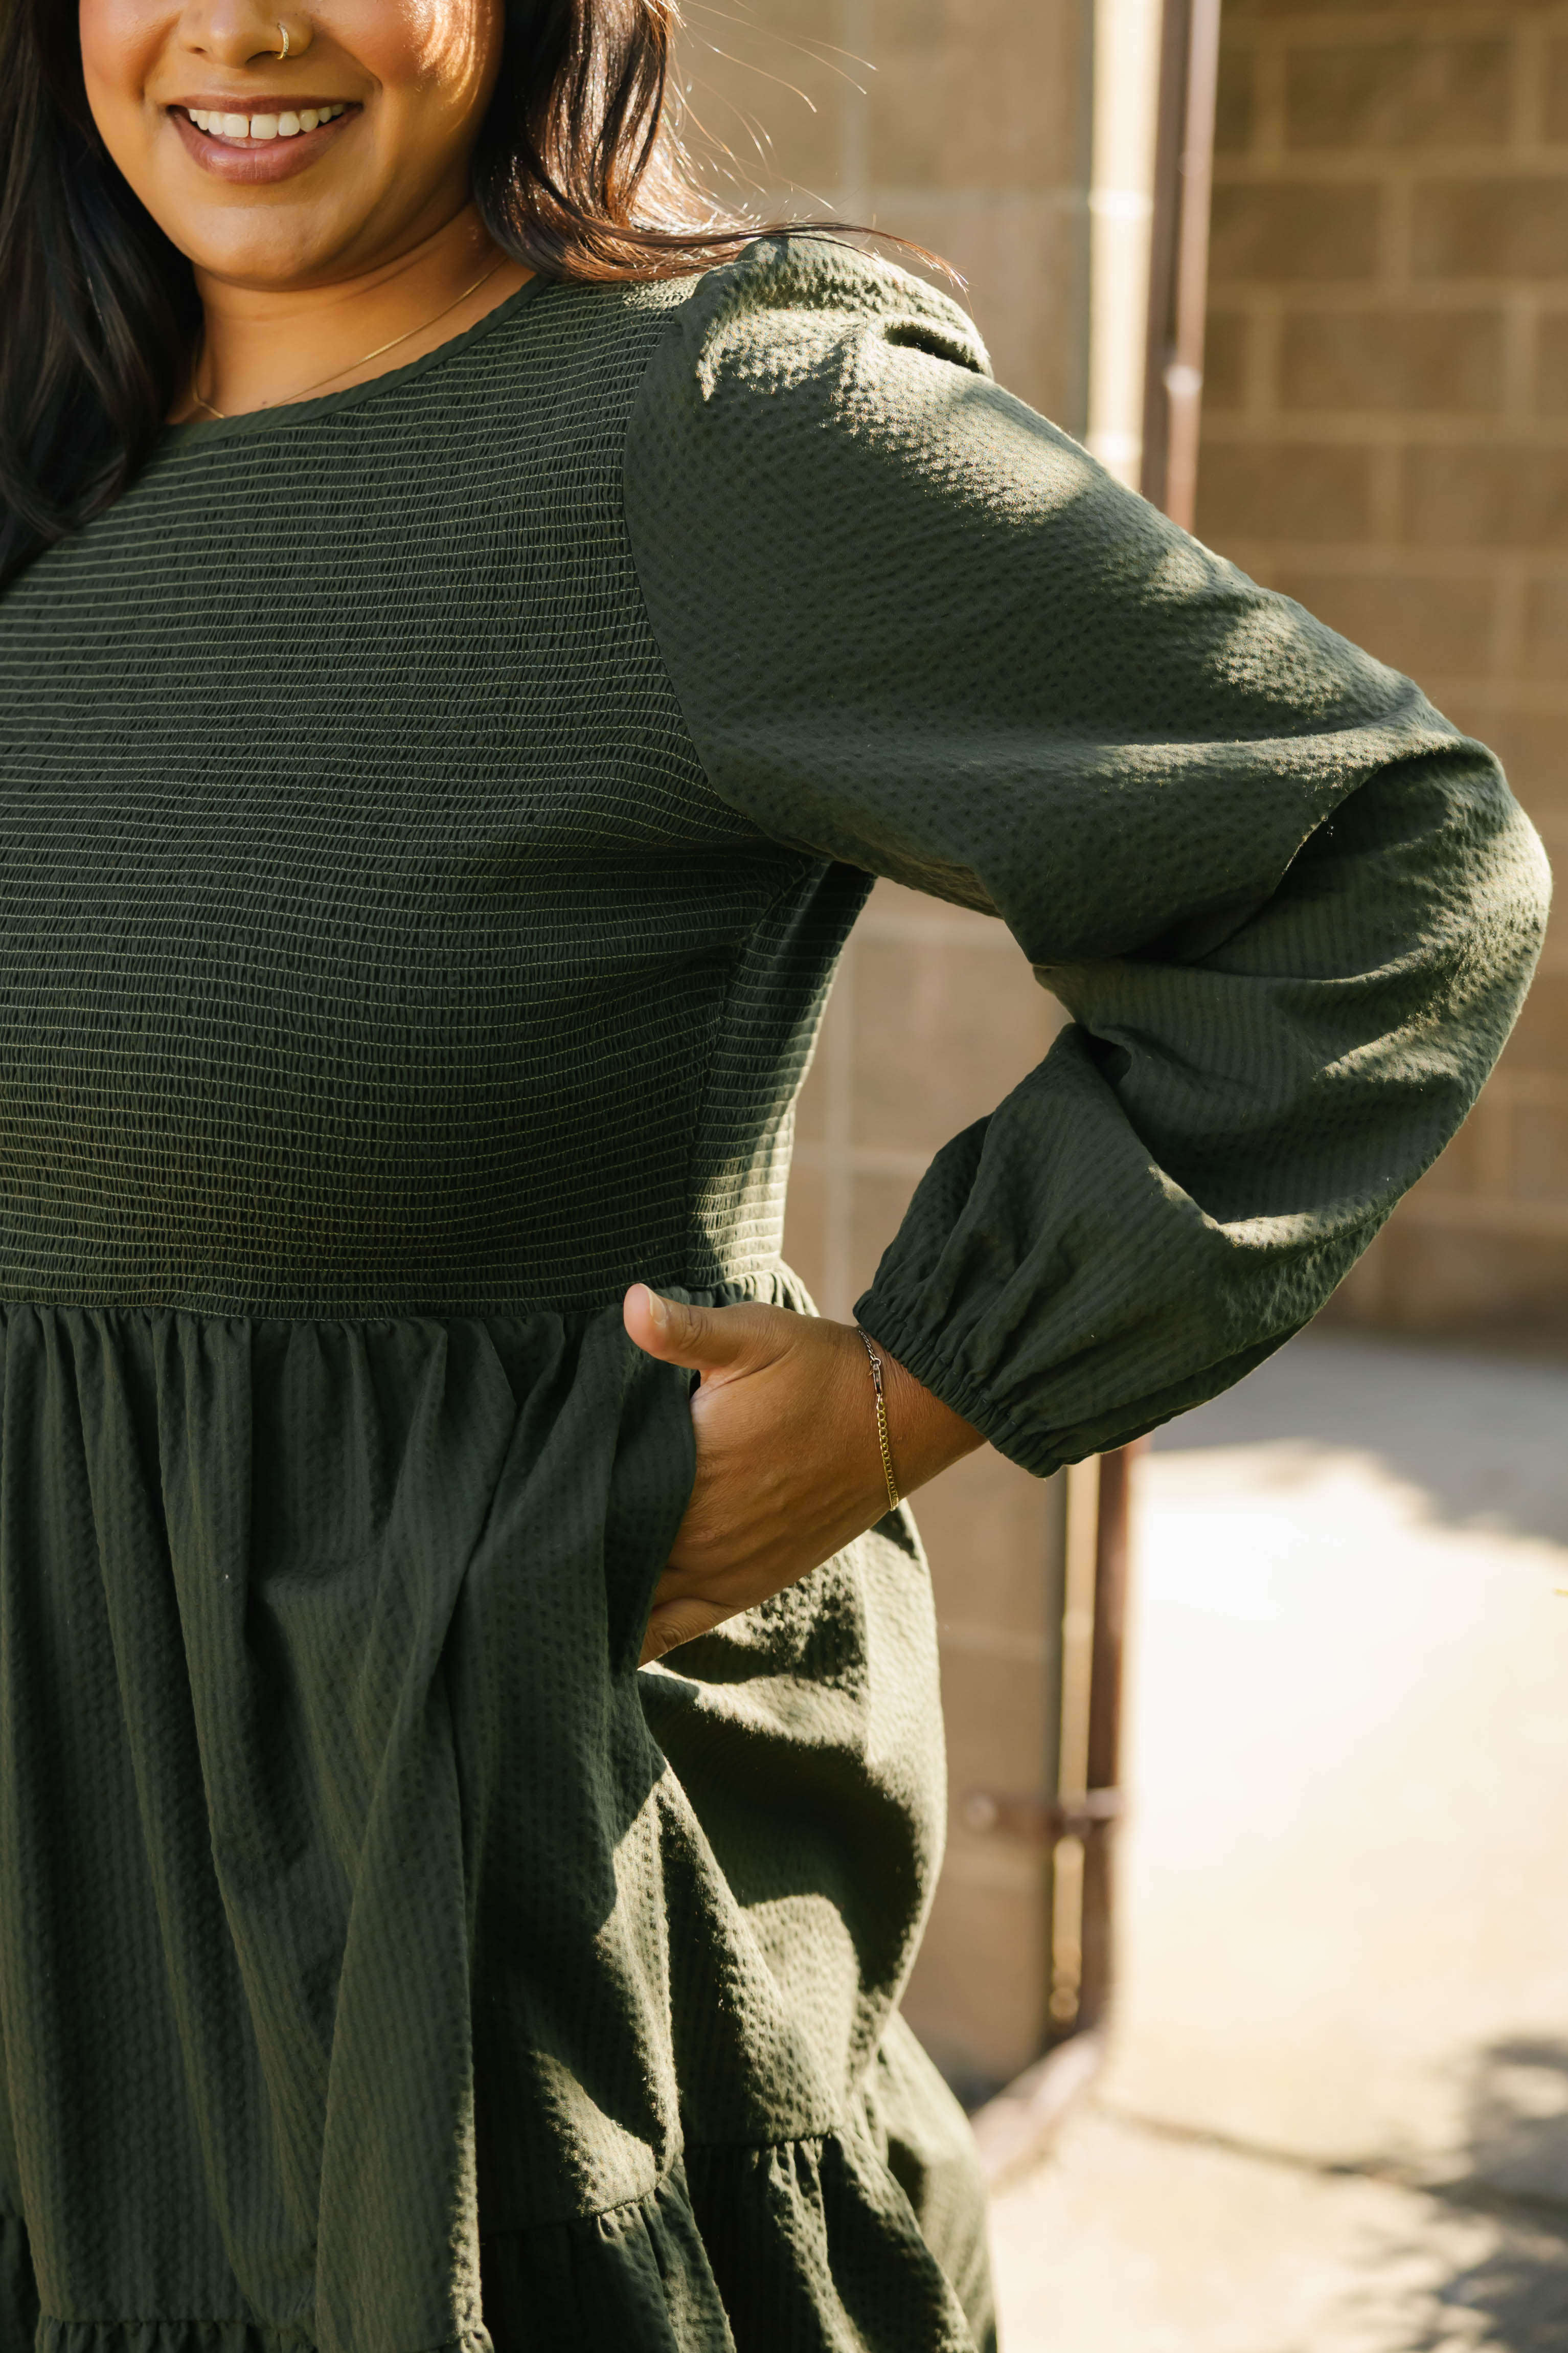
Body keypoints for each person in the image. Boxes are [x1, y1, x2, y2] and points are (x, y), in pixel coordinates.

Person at [0, 1, 1548, 2347]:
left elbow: (1375, 865)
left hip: (440, 1952)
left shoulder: (703, 426)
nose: (242, 21)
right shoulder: (41, 441)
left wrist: (924, 1380)